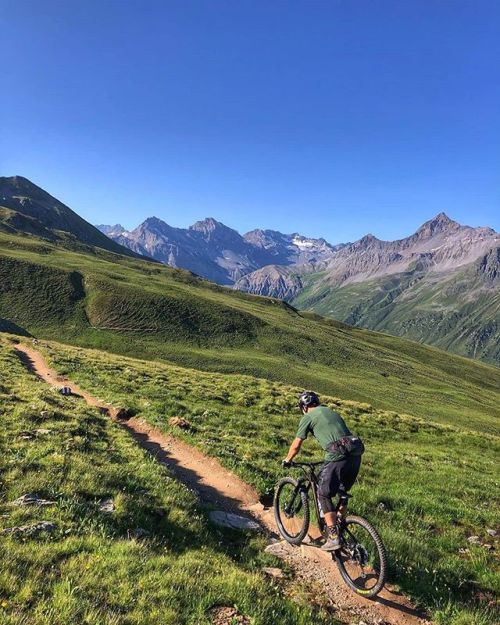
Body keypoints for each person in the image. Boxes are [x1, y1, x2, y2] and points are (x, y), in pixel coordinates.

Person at [282, 390, 363, 551]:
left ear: (303, 406)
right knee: (341, 492)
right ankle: (339, 524)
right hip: (355, 454)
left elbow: (296, 445)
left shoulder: (308, 417)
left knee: (323, 493)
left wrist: (287, 460)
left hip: (337, 456)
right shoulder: (330, 410)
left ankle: (333, 536)